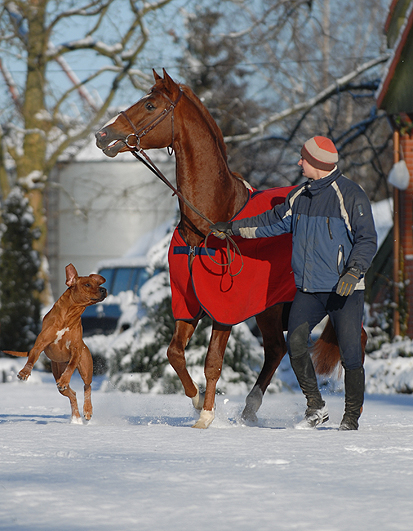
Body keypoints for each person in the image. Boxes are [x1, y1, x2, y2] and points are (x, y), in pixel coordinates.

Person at [210, 136, 377, 430]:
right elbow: (269, 222)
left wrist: (353, 272)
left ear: (318, 162)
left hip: (344, 290)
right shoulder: (300, 196)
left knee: (351, 355)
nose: (299, 162)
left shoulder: (350, 194)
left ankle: (351, 418)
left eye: (304, 158)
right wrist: (232, 228)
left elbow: (367, 239)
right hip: (309, 290)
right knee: (296, 343)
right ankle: (316, 406)